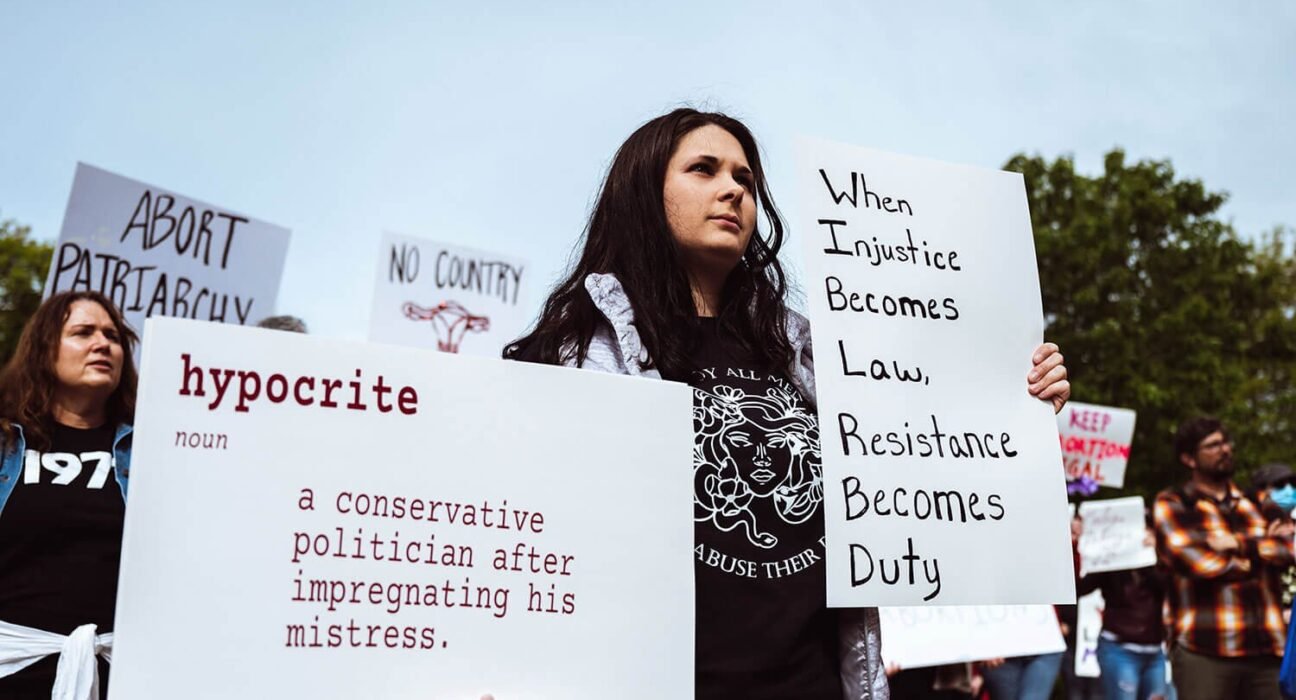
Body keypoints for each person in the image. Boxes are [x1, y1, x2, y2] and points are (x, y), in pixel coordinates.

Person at [504, 108, 1071, 699]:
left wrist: (1015, 404)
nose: (733, 190)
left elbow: (917, 474)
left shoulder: (813, 356)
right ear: (643, 192)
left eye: (745, 180)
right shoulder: (573, 359)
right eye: (704, 169)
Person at [0, 291, 138, 699]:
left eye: (113, 336)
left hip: (118, 679)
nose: (102, 344)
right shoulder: (6, 444)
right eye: (83, 332)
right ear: (44, 350)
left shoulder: (151, 451)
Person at [1154, 417, 1293, 700]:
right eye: (1213, 445)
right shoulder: (1175, 503)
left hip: (1267, 647)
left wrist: (1238, 544)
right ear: (1189, 459)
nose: (1225, 449)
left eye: (1226, 443)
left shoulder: (1258, 502)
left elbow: (1291, 548)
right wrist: (1261, 555)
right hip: (1205, 650)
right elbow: (1195, 562)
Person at [1077, 516, 1169, 700]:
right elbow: (1078, 588)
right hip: (1119, 650)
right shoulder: (1112, 565)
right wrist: (1082, 548)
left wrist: (1156, 554)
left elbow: (1171, 587)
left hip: (1154, 651)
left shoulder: (1159, 563)